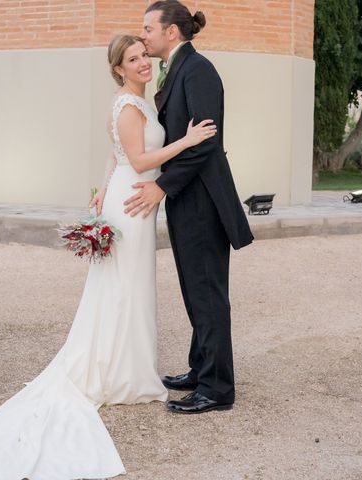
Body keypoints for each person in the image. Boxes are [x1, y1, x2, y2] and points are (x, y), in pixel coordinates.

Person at [0, 35, 216, 480]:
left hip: (127, 198)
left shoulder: (139, 101)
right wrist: (186, 141)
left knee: (128, 286)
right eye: (133, 59)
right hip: (132, 204)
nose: (143, 62)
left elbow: (114, 160)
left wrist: (99, 193)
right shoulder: (128, 107)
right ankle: (119, 374)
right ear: (119, 69)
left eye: (143, 55)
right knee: (123, 288)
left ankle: (130, 367)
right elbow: (139, 156)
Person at [124, 0, 254, 414]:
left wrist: (161, 187)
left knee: (208, 293)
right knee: (194, 289)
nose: (143, 35)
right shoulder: (176, 69)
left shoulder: (198, 70)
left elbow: (206, 140)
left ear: (171, 32)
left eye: (148, 28)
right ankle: (201, 368)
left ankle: (216, 389)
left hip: (203, 200)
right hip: (187, 200)